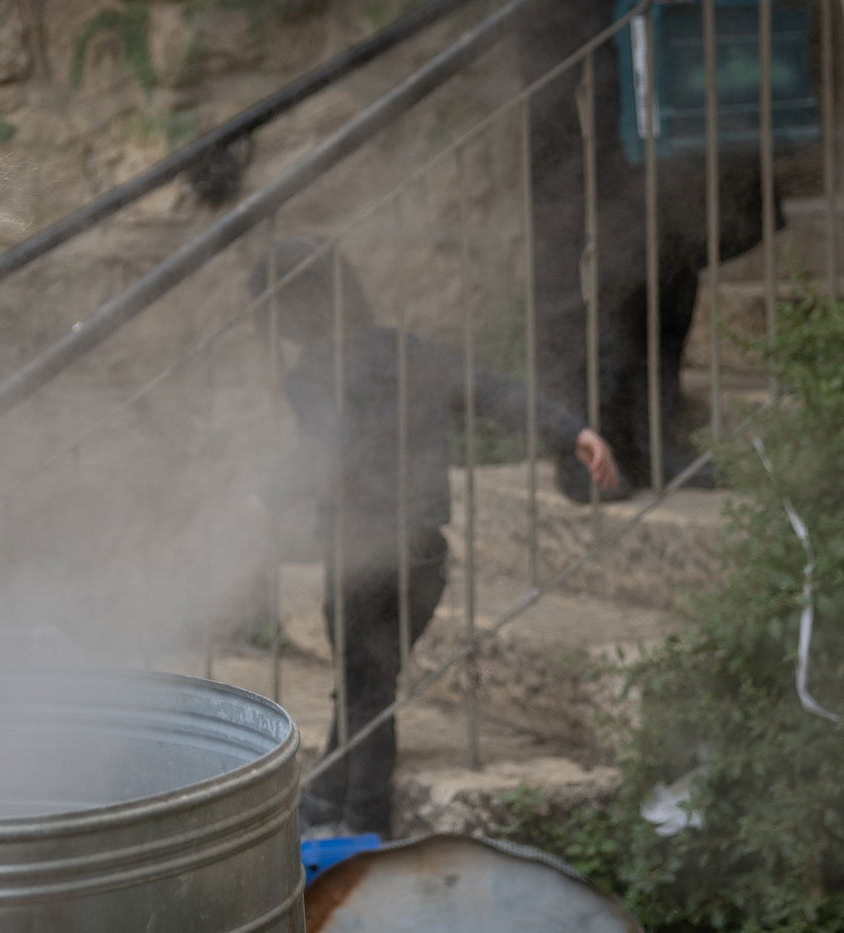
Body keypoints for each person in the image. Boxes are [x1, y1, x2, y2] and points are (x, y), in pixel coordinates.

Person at [248, 238, 619, 837]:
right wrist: (571, 430)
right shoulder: (408, 352)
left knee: (368, 690)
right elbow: (491, 393)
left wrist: (265, 494)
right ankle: (321, 802)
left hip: (360, 553)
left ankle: (360, 835)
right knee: (368, 682)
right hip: (423, 551)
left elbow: (328, 446)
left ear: (289, 316)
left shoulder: (314, 373)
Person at [516, 0, 776, 501]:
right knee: (568, 244)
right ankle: (578, 441)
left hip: (662, 26)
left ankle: (651, 436)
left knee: (673, 226)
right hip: (565, 29)